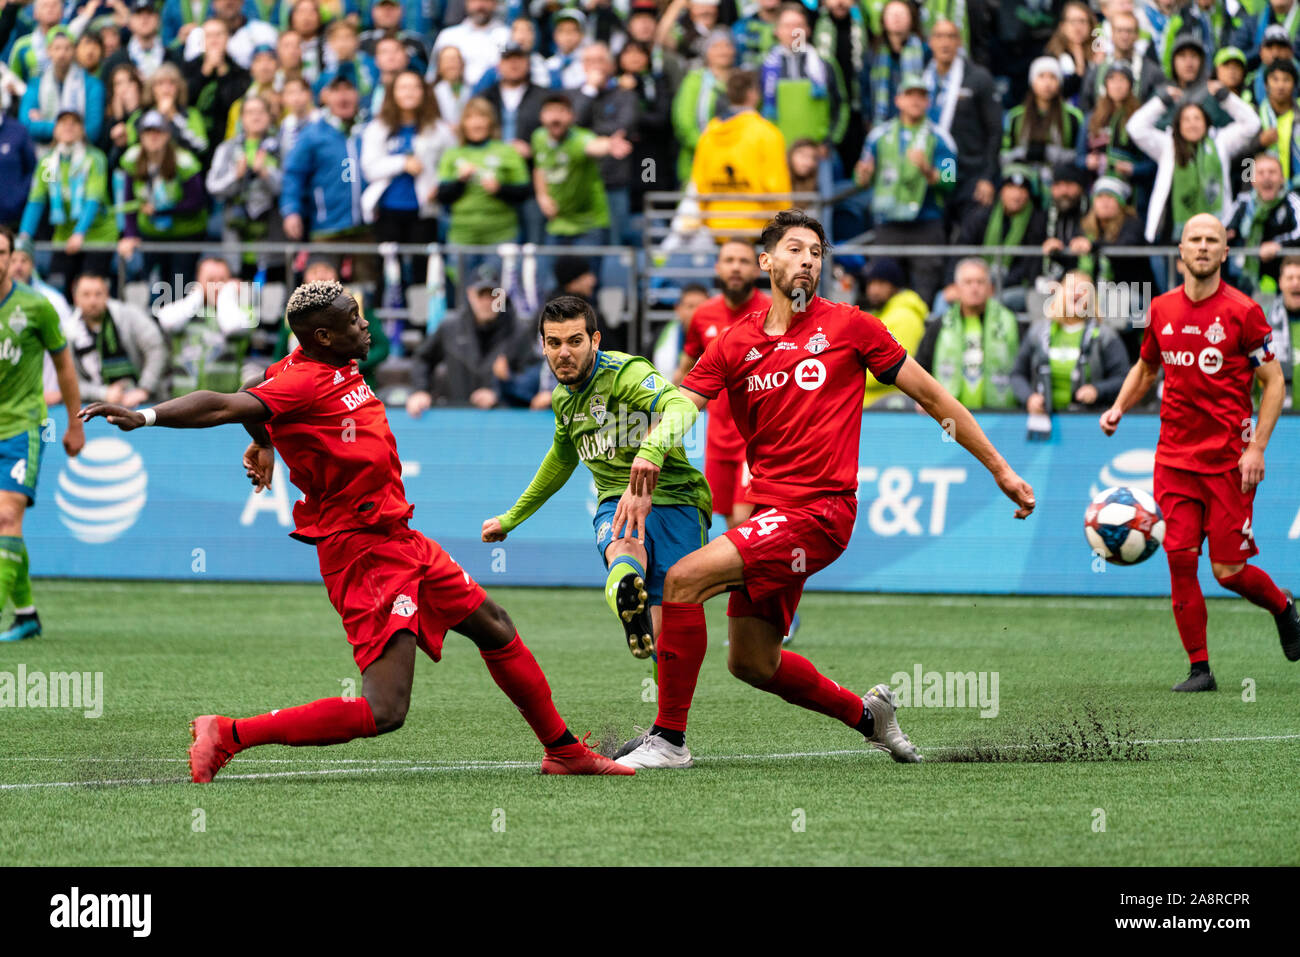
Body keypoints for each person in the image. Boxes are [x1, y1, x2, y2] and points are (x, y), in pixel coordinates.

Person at [80, 279, 632, 779]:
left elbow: (256, 384)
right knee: (384, 711)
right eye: (354, 319)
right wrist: (145, 416)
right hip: (363, 554)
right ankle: (228, 734)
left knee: (495, 625)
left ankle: (562, 749)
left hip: (401, 538)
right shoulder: (304, 381)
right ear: (323, 336)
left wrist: (265, 441)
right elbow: (225, 402)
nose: (366, 325)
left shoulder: (318, 360)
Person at [612, 209, 1036, 769]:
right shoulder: (734, 343)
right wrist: (649, 451)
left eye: (815, 251)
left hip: (821, 512)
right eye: (794, 249)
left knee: (684, 579)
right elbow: (681, 407)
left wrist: (1000, 470)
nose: (807, 259)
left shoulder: (851, 327)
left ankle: (669, 740)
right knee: (752, 663)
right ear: (767, 262)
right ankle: (869, 717)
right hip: (771, 511)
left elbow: (934, 398)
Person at [1100, 213, 1300, 692]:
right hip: (1173, 460)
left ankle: (1284, 606)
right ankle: (1199, 668)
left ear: (1226, 252)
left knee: (1228, 571)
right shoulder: (1163, 310)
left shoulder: (1244, 312)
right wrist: (1118, 407)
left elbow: (1273, 384)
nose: (1204, 246)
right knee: (1180, 558)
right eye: (1195, 239)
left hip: (1230, 463)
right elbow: (1147, 368)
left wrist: (1257, 448)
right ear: (1182, 250)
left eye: (1213, 240)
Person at [483, 295, 712, 660]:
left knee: (666, 636)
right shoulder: (563, 399)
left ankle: (666, 714)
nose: (564, 353)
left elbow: (682, 405)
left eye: (575, 341)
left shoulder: (625, 373)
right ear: (542, 345)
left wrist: (651, 453)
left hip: (677, 498)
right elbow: (561, 460)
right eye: (554, 343)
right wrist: (511, 518)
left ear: (595, 340)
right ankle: (625, 590)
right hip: (615, 501)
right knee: (622, 547)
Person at [0, 225, 86, 644]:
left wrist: (74, 423)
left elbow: (66, 367)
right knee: (6, 528)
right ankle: (27, 614)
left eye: (2, 252)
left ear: (13, 258)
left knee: (5, 516)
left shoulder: (36, 307)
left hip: (21, 428)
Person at [675, 240, 768, 530]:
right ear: (718, 268)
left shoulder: (773, 311)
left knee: (744, 518)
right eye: (729, 260)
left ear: (756, 269)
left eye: (743, 261)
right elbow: (687, 367)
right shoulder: (703, 315)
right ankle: (746, 578)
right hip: (717, 436)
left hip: (756, 435)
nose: (736, 267)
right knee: (730, 522)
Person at [855, 73, 957, 306]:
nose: (915, 100)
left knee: (924, 294)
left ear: (928, 102)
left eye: (921, 95)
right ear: (898, 100)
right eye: (909, 94)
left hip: (927, 223)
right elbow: (861, 175)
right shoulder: (877, 136)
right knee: (880, 290)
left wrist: (929, 171)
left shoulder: (941, 138)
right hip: (888, 223)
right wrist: (862, 175)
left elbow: (951, 180)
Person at [1128, 80, 1261, 243]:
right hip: (1173, 236)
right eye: (1187, 119)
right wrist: (1161, 102)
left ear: (1206, 122)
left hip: (1216, 233)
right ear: (1178, 124)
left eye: (1197, 118)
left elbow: (1252, 124)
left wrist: (1226, 98)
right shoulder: (1167, 146)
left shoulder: (1221, 142)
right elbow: (1135, 128)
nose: (1192, 124)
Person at [406, 263, 535, 410]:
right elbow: (423, 358)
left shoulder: (518, 331)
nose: (487, 302)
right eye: (481, 295)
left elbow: (534, 378)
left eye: (493, 295)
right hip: (457, 415)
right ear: (470, 295)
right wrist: (421, 391)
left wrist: (503, 388)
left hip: (503, 417)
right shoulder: (450, 327)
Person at [18, 109, 117, 291]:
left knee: (89, 288)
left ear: (82, 130)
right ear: (55, 129)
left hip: (98, 236)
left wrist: (80, 232)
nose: (68, 127)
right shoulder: (49, 162)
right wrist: (24, 236)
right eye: (63, 123)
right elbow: (36, 201)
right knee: (59, 287)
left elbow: (92, 199)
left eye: (74, 123)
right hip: (64, 236)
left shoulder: (94, 158)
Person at [1012, 269, 1130, 416]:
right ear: (1060, 294)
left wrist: (1097, 390)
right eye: (1072, 288)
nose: (1078, 293)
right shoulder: (1038, 332)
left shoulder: (1105, 335)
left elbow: (1124, 378)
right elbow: (1017, 374)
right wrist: (1029, 398)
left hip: (1087, 420)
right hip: (1043, 420)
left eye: (1084, 289)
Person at [115, 108, 209, 287]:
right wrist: (130, 234)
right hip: (151, 233)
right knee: (156, 287)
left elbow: (197, 201)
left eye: (158, 132)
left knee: (179, 287)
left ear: (167, 135)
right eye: (148, 132)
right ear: (141, 136)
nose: (153, 137)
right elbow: (129, 200)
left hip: (185, 233)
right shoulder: (132, 159)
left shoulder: (184, 161)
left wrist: (161, 210)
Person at [917, 257, 1022, 410]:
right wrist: (922, 397)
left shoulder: (1010, 323)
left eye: (980, 282)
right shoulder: (940, 325)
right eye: (968, 282)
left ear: (990, 288)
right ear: (957, 288)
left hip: (1001, 416)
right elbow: (921, 365)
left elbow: (1025, 367)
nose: (974, 288)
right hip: (949, 417)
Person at [206, 93, 283, 280]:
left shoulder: (281, 146)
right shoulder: (227, 148)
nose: (255, 117)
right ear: (241, 118)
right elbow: (213, 186)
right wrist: (236, 176)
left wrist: (266, 173)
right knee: (242, 298)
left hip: (272, 237)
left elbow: (290, 187)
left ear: (269, 116)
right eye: (250, 112)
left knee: (274, 300)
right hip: (237, 238)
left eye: (260, 111)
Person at [64, 271, 170, 405]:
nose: (92, 301)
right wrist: (104, 393)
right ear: (75, 298)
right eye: (86, 295)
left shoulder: (128, 315)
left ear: (107, 295)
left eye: (98, 294)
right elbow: (69, 382)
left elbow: (156, 347)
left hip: (144, 401)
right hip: (92, 407)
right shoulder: (69, 332)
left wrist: (144, 389)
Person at [1225, 151, 1300, 294]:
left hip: (1281, 282)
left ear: (1282, 178)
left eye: (1272, 172)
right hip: (1243, 280)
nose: (1266, 177)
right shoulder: (1243, 202)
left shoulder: (1292, 201)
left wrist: (1278, 245)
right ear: (1253, 180)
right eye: (1261, 172)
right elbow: (1224, 229)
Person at [20, 26, 106, 148]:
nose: (62, 54)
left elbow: (93, 130)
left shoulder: (92, 85)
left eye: (67, 48)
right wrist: (71, 129)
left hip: (83, 151)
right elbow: (27, 125)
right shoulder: (36, 83)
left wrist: (44, 125)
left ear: (74, 51)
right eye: (57, 48)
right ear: (48, 51)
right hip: (43, 152)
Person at [859, 257, 927, 410]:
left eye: (881, 283)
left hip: (890, 405)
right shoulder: (880, 315)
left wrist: (849, 375)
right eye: (871, 283)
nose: (874, 290)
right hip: (868, 403)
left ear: (895, 286)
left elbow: (896, 367)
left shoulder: (905, 317)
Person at [670, 28, 732, 187]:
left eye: (727, 45)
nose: (723, 51)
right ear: (706, 52)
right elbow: (683, 121)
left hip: (735, 161)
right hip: (697, 159)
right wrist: (707, 147)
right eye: (716, 46)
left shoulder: (740, 80)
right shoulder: (694, 80)